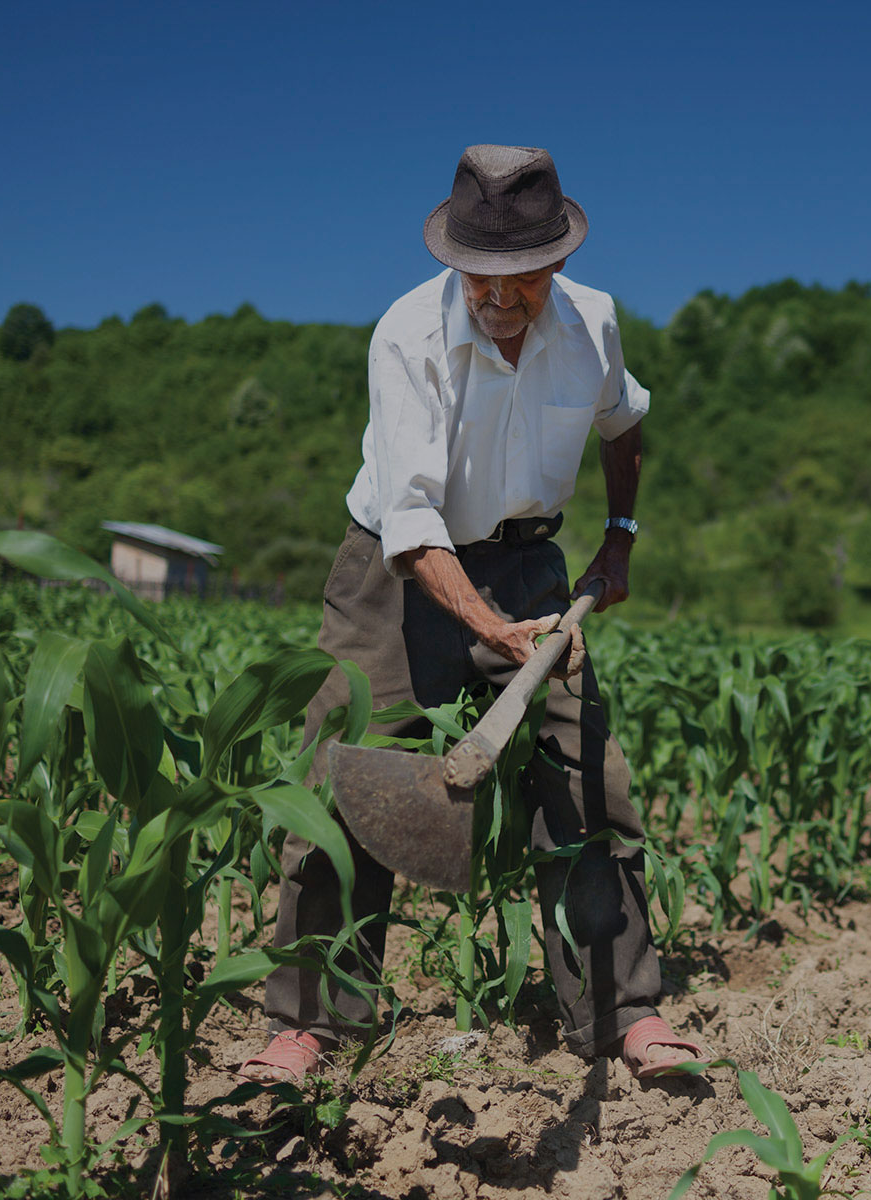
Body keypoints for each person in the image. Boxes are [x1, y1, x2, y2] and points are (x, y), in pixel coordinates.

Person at [238, 145, 701, 1086]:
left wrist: (620, 533)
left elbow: (624, 422)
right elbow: (411, 523)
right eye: (476, 277)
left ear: (555, 262)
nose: (494, 299)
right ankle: (313, 1017)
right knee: (339, 768)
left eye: (517, 280)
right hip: (394, 570)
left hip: (532, 564)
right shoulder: (406, 336)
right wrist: (488, 630)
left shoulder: (595, 325)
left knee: (585, 775)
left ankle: (620, 1011)